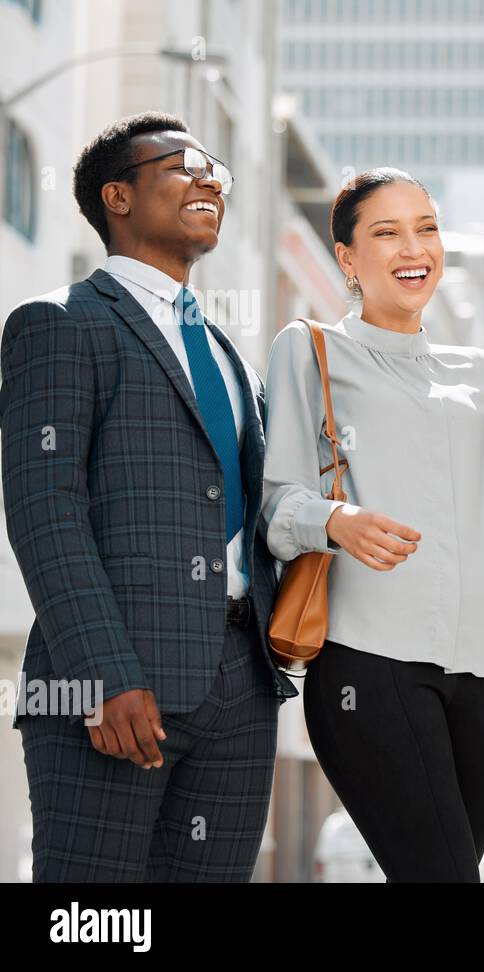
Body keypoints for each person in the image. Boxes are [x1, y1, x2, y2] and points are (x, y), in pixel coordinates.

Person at [0, 112, 296, 881]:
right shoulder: (60, 325)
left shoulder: (234, 357)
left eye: (216, 173)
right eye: (182, 166)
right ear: (118, 197)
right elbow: (45, 509)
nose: (208, 181)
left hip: (241, 685)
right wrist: (102, 674)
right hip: (109, 685)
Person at [261, 168, 484, 882]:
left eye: (426, 228)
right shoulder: (309, 350)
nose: (414, 248)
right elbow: (274, 506)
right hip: (369, 663)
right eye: (387, 232)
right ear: (346, 258)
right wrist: (334, 520)